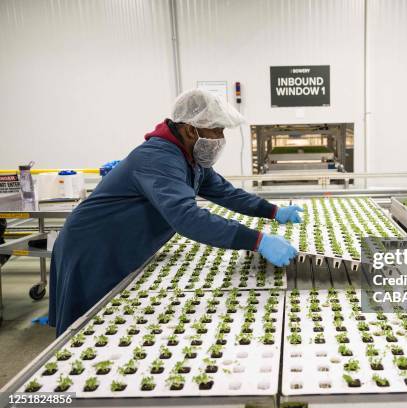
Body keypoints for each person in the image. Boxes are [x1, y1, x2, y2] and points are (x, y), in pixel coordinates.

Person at [49, 89, 302, 335]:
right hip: (94, 247)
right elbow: (187, 217)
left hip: (121, 243)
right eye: (216, 130)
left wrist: (274, 211)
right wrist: (258, 241)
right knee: (89, 328)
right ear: (191, 129)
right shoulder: (158, 158)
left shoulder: (190, 158)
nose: (220, 138)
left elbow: (226, 193)